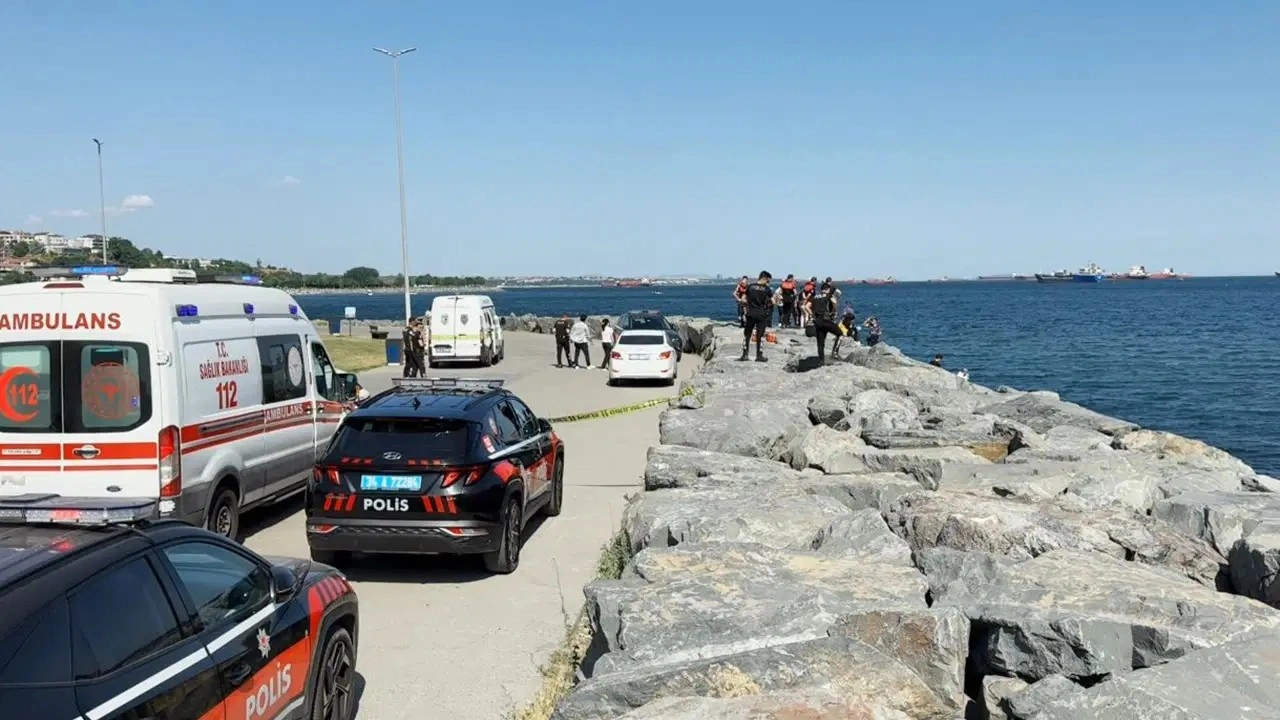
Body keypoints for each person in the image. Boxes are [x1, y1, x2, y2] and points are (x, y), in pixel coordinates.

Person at [740, 271, 774, 362]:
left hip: (750, 313)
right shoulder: (766, 289)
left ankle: (745, 354)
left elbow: (743, 299)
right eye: (768, 281)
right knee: (760, 335)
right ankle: (759, 355)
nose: (768, 282)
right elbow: (773, 301)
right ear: (765, 279)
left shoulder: (750, 286)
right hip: (761, 314)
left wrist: (747, 304)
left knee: (747, 334)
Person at [810, 284, 842, 362]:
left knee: (820, 343)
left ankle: (821, 361)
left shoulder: (815, 297)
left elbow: (810, 307)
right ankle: (835, 353)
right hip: (826, 320)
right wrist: (834, 311)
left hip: (818, 322)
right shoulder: (827, 295)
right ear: (827, 290)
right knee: (840, 334)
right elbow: (834, 302)